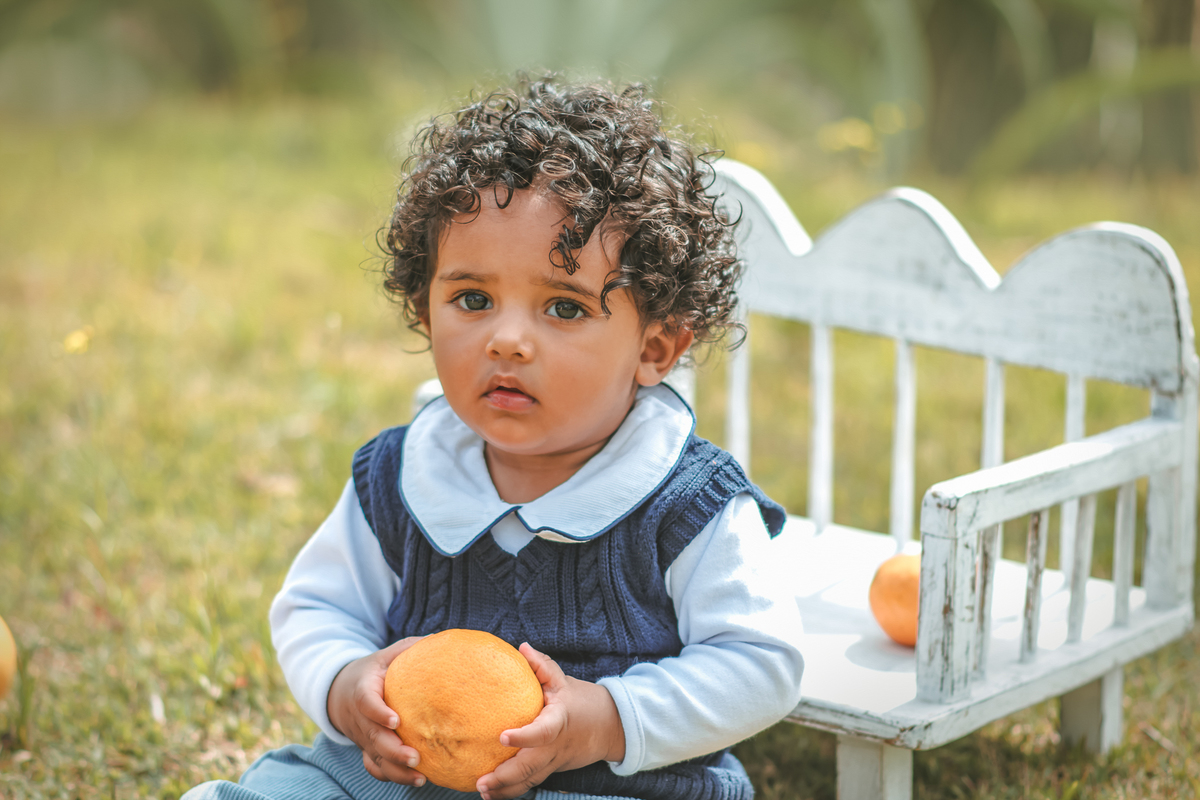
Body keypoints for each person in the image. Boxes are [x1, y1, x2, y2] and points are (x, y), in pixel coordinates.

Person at [184, 75, 803, 800]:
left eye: (564, 308)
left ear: (656, 349)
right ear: (424, 307)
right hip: (409, 774)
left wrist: (606, 720)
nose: (507, 340)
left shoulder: (687, 503)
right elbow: (316, 608)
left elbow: (761, 662)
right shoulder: (401, 477)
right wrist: (348, 685)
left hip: (611, 786)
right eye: (473, 300)